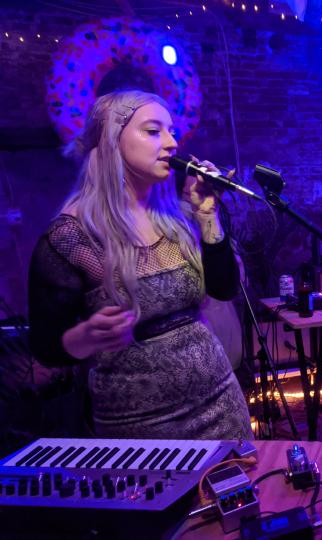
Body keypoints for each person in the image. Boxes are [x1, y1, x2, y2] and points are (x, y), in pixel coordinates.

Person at [28, 90, 253, 442]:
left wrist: (207, 215)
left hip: (220, 403)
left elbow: (223, 289)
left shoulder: (175, 217)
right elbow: (45, 346)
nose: (171, 143)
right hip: (139, 424)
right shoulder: (70, 238)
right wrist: (84, 337)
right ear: (111, 141)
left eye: (172, 131)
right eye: (153, 131)